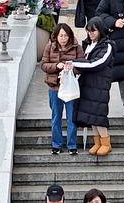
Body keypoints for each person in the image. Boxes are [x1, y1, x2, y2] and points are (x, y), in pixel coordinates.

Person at [69, 15, 116, 157]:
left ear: (100, 30)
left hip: (100, 84)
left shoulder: (107, 45)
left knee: (99, 113)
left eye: (93, 31)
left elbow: (97, 63)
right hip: (88, 84)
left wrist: (73, 63)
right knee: (91, 115)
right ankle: (98, 142)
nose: (90, 33)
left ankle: (106, 142)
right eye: (89, 31)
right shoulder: (88, 44)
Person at [40, 23, 83, 155]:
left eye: (66, 36)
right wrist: (56, 66)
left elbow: (82, 65)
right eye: (61, 36)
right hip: (54, 87)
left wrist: (72, 69)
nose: (63, 38)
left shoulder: (77, 48)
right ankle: (56, 144)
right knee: (56, 117)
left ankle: (72, 145)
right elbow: (43, 65)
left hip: (70, 88)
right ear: (56, 36)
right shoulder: (49, 47)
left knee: (71, 118)